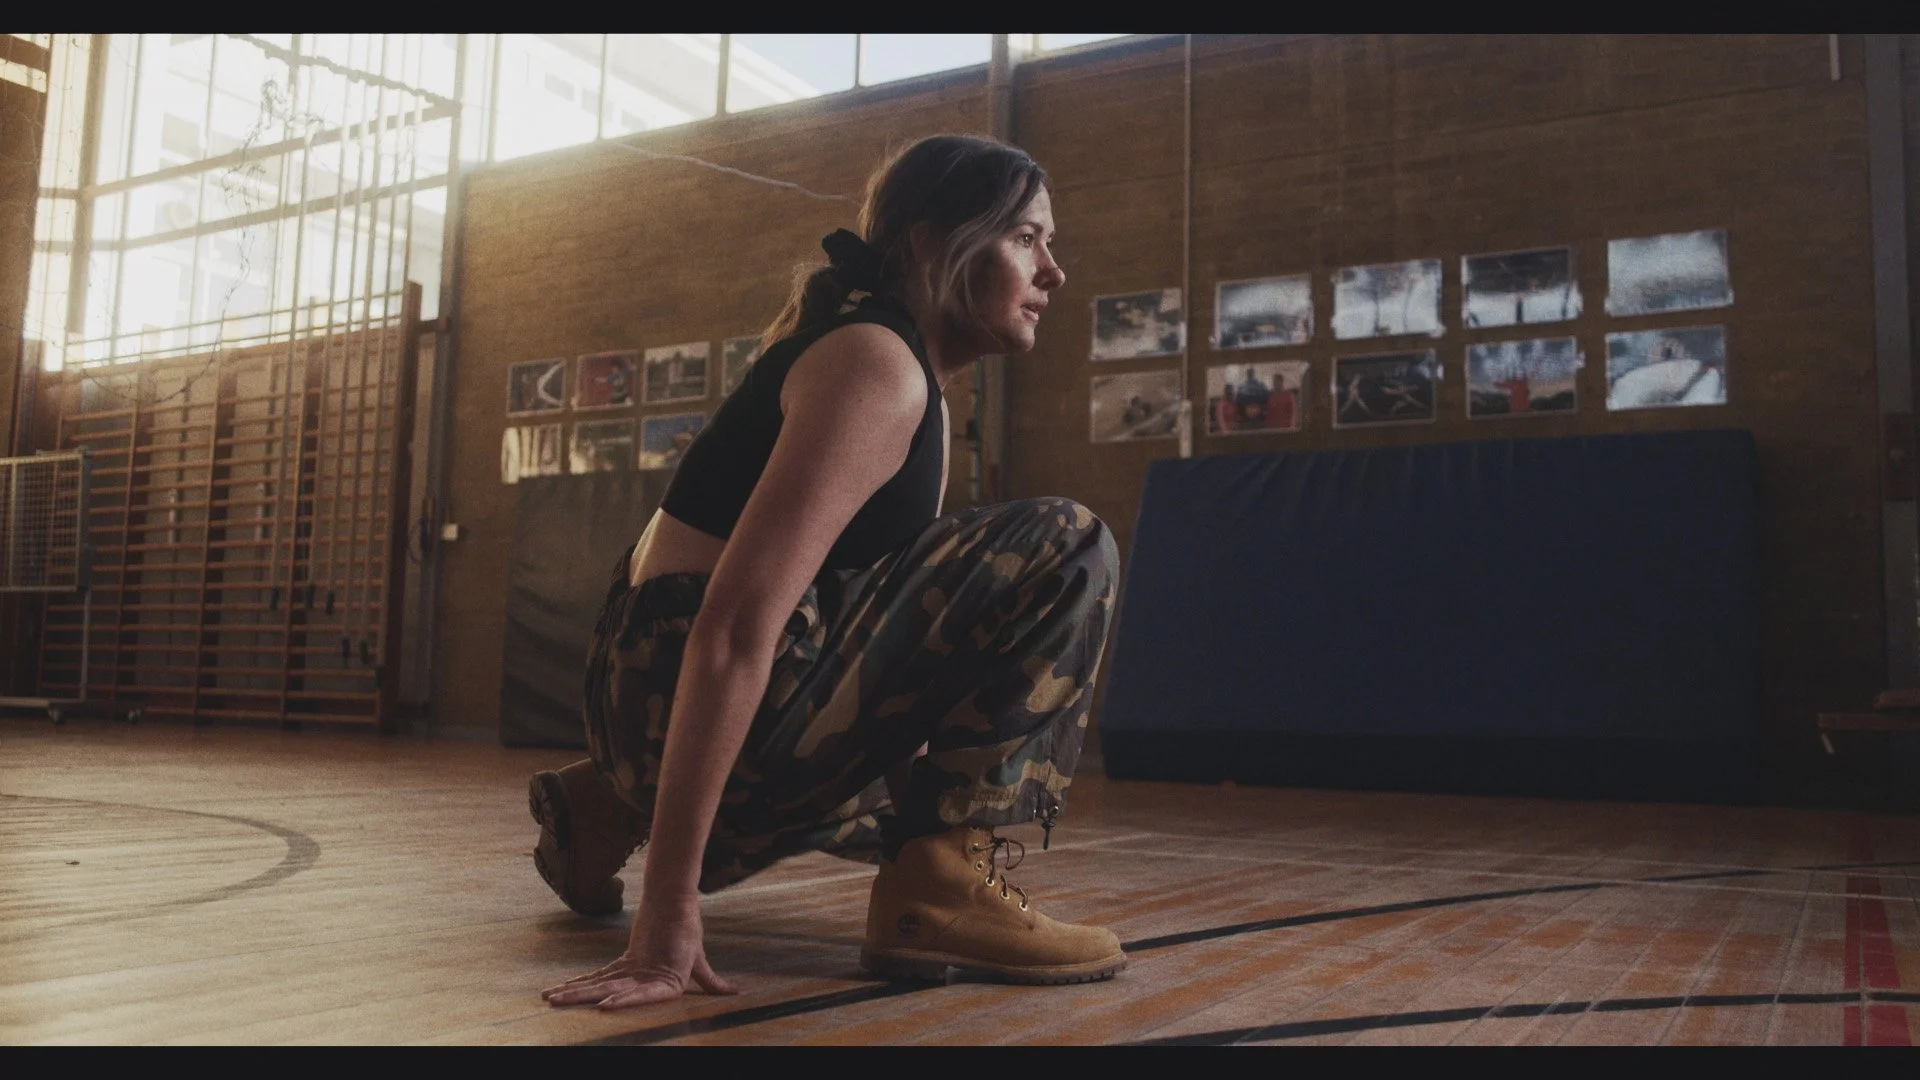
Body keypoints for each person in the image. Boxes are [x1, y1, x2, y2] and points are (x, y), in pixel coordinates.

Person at [531, 134, 1126, 1011]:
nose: (1054, 273)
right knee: (1069, 542)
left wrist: (929, 822)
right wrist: (665, 919)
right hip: (688, 689)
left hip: (647, 719)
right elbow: (734, 624)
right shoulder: (877, 366)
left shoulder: (886, 360)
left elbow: (902, 676)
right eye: (1026, 239)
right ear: (930, 245)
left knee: (924, 793)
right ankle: (931, 894)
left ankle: (605, 811)